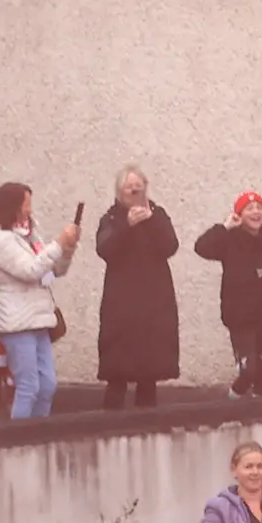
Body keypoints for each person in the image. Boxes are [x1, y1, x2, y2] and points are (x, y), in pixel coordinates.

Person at [0, 183, 79, 424]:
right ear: (12, 207)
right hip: (16, 321)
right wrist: (58, 243)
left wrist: (67, 249)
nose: (29, 210)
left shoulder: (28, 238)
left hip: (39, 318)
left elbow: (54, 270)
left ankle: (38, 436)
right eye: (25, 205)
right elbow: (29, 270)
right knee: (28, 385)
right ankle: (17, 440)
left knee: (47, 385)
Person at [90, 167, 181, 412]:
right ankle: (109, 424)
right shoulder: (111, 218)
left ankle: (148, 425)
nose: (135, 192)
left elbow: (171, 246)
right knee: (117, 371)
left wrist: (151, 221)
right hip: (121, 304)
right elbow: (104, 249)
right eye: (130, 188)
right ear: (119, 192)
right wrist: (127, 226)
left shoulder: (158, 214)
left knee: (149, 371)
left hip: (154, 303)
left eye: (139, 188)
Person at [192, 192, 262, 399]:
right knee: (248, 371)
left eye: (259, 207)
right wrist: (224, 227)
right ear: (239, 214)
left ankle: (259, 414)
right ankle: (231, 401)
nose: (256, 212)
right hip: (241, 316)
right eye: (249, 208)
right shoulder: (230, 238)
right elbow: (201, 247)